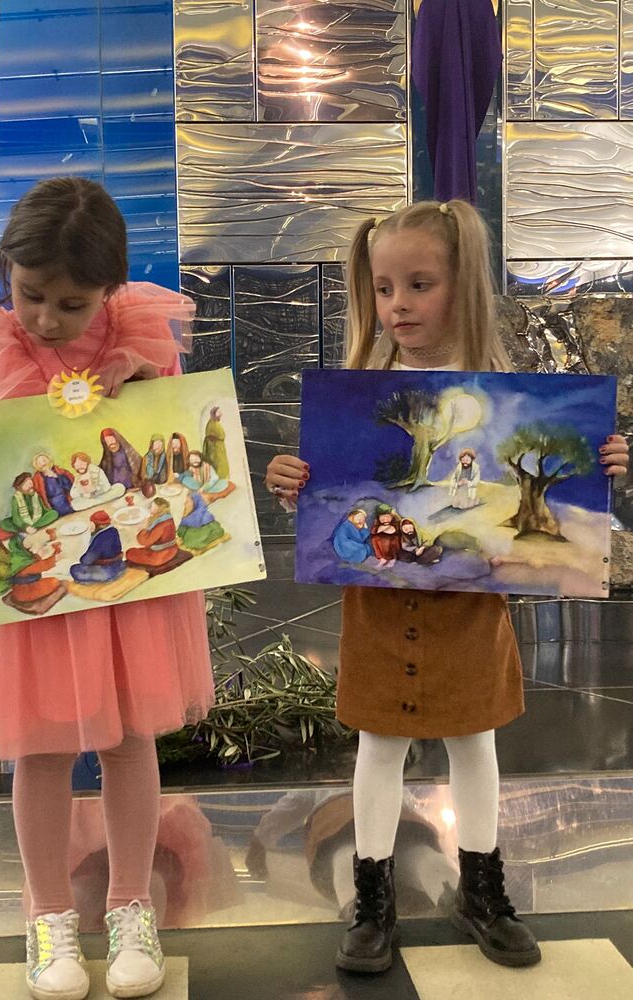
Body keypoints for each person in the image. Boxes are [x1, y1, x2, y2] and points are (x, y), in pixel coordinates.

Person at [265, 200, 629, 976]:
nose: (398, 304)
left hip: (468, 607)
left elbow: (551, 496)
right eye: (383, 288)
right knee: (379, 744)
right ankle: (372, 900)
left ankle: (482, 891)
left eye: (419, 284)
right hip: (379, 604)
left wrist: (603, 467)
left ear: (460, 285)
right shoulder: (358, 394)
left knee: (474, 739)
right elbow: (333, 505)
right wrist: (292, 480)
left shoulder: (511, 396)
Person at [0, 177, 214, 1000]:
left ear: (110, 287)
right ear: (7, 268)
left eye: (72, 304)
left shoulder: (143, 334)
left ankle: (130, 904)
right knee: (39, 751)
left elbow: (171, 449)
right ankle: (47, 917)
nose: (44, 318)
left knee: (128, 739)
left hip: (125, 590)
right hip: (35, 596)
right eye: (30, 293)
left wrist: (147, 384)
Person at [125, 498, 192, 571]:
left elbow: (144, 541)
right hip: (172, 549)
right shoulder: (167, 518)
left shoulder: (161, 524)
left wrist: (143, 529)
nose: (150, 509)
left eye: (152, 507)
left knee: (129, 553)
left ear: (158, 509)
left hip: (161, 555)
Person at [70, 510, 126, 583]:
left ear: (97, 524)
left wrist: (82, 559)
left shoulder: (100, 538)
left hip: (107, 571)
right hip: (119, 564)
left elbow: (87, 560)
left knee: (75, 569)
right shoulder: (113, 530)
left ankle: (107, 579)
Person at [100, 427, 144, 491]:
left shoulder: (127, 451)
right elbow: (102, 469)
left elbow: (138, 463)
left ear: (116, 438)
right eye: (107, 441)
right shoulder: (107, 456)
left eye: (112, 439)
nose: (110, 443)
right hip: (115, 488)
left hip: (130, 486)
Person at [32, 453, 75, 517]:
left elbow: (70, 485)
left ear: (49, 460)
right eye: (39, 462)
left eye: (44, 460)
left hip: (68, 501)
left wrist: (58, 477)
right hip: (55, 506)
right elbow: (40, 496)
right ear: (37, 465)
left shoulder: (60, 472)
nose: (43, 463)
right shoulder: (38, 479)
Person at [202, 405, 229, 479]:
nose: (220, 414)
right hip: (215, 449)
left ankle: (222, 477)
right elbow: (209, 436)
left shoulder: (216, 423)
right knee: (217, 463)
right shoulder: (211, 423)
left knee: (222, 463)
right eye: (218, 412)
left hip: (220, 448)